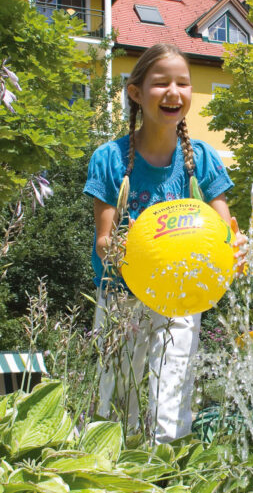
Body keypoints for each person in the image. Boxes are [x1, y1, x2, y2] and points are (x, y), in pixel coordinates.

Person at [84, 43, 244, 443]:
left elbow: (225, 234)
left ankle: (166, 476)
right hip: (121, 294)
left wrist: (238, 249)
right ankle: (112, 466)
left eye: (183, 83)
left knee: (171, 391)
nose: (174, 92)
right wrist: (130, 243)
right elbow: (104, 242)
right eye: (161, 84)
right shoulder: (109, 159)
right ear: (136, 93)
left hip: (181, 296)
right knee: (116, 392)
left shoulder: (204, 159)